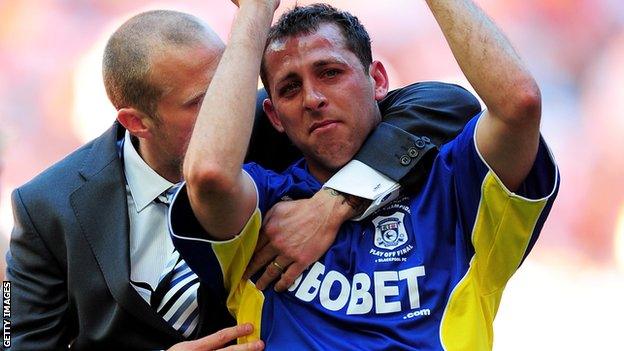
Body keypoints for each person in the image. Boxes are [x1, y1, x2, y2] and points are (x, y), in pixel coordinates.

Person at [5, 8, 478, 351]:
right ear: (137, 122)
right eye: (201, 103)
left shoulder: (275, 121)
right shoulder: (46, 207)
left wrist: (334, 202)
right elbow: (16, 341)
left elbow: (445, 105)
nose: (226, 110)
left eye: (231, 81)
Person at [170, 1, 559, 350]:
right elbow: (208, 174)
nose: (313, 98)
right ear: (274, 117)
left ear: (378, 81)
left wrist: (336, 200)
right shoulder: (266, 203)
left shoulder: (454, 188)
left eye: (330, 72)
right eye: (290, 88)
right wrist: (255, 9)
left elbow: (519, 104)